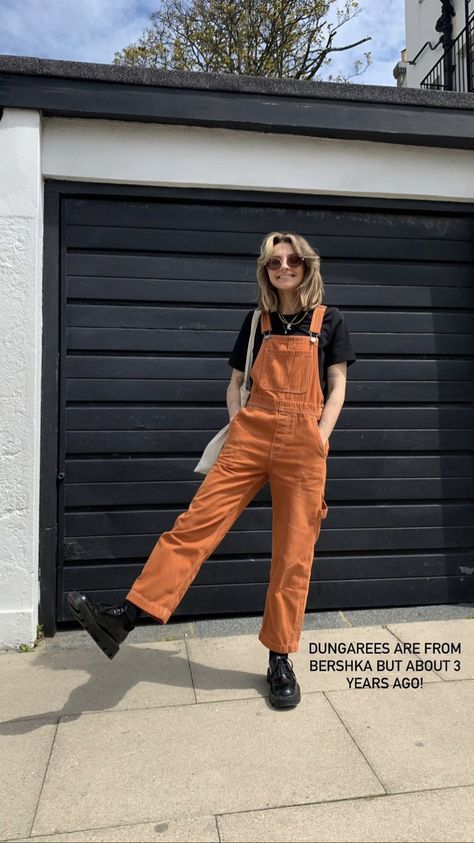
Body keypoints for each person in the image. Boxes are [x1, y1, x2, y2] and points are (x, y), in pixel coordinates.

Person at [67, 231, 356, 709]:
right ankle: (128, 616)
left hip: (304, 442)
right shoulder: (257, 322)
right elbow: (236, 383)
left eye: (291, 260)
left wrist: (320, 437)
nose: (283, 268)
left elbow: (338, 384)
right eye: (273, 262)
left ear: (306, 265)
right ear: (265, 271)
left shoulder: (329, 321)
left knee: (293, 553)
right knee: (194, 526)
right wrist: (238, 424)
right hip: (252, 433)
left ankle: (279, 659)